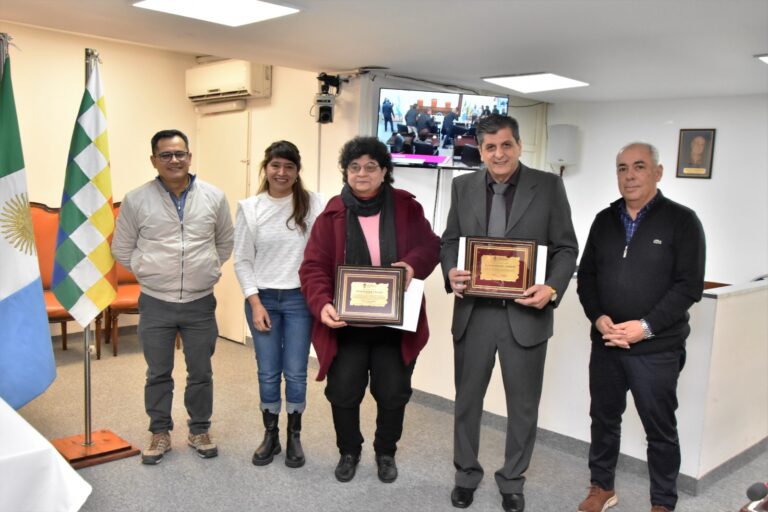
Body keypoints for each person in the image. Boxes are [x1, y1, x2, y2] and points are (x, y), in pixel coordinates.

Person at [440, 114, 578, 512]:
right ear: (480, 150)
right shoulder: (462, 186)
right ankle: (466, 475)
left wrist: (552, 287)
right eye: (490, 147)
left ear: (519, 146)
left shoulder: (549, 186)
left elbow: (567, 248)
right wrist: (451, 271)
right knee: (467, 402)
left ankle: (513, 480)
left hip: (526, 316)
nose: (498, 154)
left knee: (523, 407)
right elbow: (449, 241)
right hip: (474, 315)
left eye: (506, 145)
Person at [299, 136, 440, 484]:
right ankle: (349, 451)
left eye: (370, 166)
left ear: (384, 171)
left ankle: (385, 452)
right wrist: (322, 303)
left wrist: (411, 264)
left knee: (393, 393)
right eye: (354, 167)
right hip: (346, 324)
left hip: (394, 324)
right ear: (346, 172)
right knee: (343, 392)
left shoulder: (406, 207)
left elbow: (430, 246)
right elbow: (313, 267)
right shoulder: (331, 213)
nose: (362, 173)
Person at [576, 142, 706, 512]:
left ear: (657, 173)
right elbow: (587, 277)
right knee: (603, 419)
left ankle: (663, 502)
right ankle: (602, 487)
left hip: (656, 349)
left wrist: (645, 327)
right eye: (622, 168)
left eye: (639, 166)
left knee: (659, 428)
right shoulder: (604, 220)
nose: (630, 176)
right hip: (606, 343)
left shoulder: (683, 221)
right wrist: (597, 317)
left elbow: (689, 286)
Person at [112, 129, 234, 465]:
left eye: (180, 154)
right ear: (154, 160)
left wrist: (207, 267)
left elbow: (225, 241)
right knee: (158, 372)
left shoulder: (214, 197)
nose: (174, 160)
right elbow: (121, 248)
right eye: (165, 155)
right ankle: (160, 432)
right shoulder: (136, 199)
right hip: (155, 302)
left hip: (199, 302)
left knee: (201, 372)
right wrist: (149, 269)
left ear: (189, 157)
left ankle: (199, 430)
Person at [233, 141, 324, 468]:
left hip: (300, 299)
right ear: (265, 168)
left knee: (296, 372)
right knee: (269, 372)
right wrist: (255, 303)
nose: (281, 172)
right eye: (275, 166)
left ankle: (293, 436)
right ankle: (270, 435)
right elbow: (242, 260)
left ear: (297, 171)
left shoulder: (314, 204)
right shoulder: (250, 208)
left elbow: (324, 252)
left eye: (289, 166)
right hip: (263, 299)